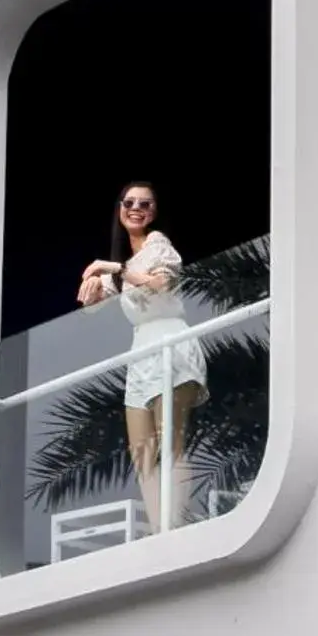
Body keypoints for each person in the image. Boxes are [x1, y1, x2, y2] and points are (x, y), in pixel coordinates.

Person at [77, 182, 206, 532]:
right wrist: (91, 289)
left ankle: (176, 527)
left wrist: (114, 269)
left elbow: (162, 284)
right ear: (119, 208)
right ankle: (158, 529)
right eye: (129, 202)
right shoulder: (125, 263)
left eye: (145, 204)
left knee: (171, 443)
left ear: (154, 211)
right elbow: (90, 305)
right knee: (143, 455)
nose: (137, 208)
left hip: (169, 340)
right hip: (140, 354)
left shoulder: (157, 244)